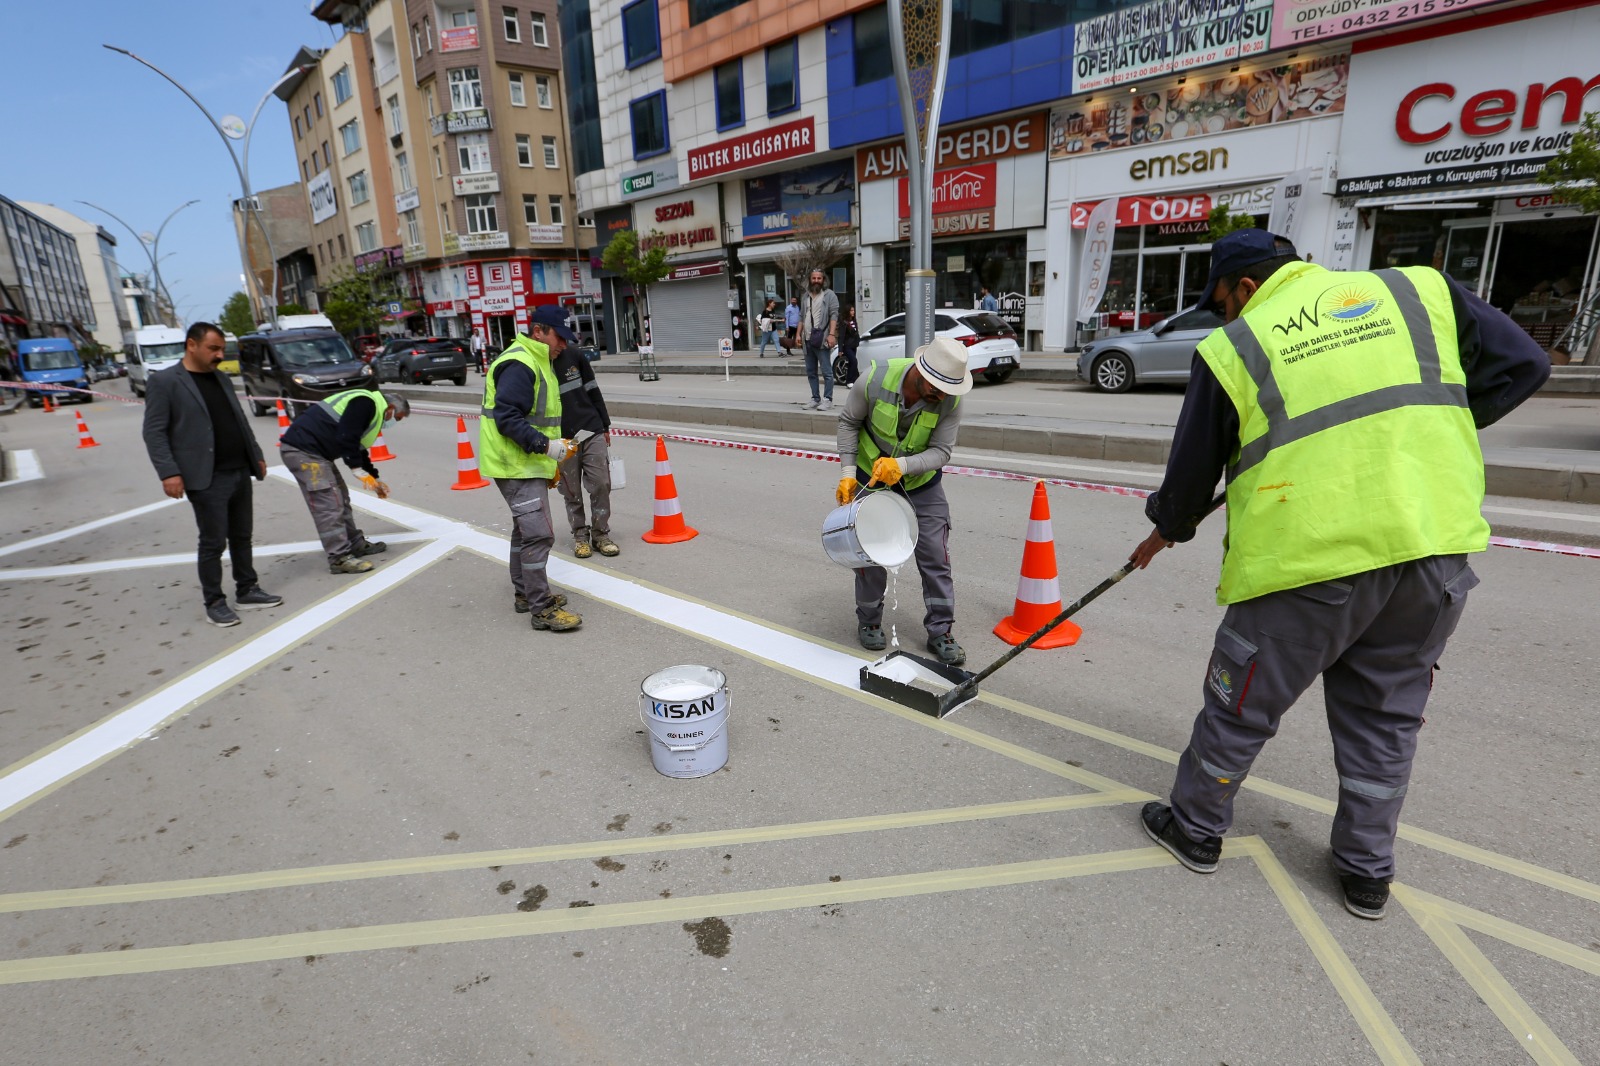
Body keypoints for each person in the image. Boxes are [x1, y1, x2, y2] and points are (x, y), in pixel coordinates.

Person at [1128, 229, 1550, 920]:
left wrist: (1169, 526)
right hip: (1430, 551)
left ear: (1245, 288)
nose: (1225, 317)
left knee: (1241, 708)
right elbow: (1527, 364)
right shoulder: (1417, 289)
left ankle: (1195, 829)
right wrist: (1433, 432)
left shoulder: (1238, 344)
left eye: (1224, 303)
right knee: (1385, 720)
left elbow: (1190, 474)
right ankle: (1365, 872)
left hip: (1308, 559)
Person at [836, 336, 971, 666]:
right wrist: (848, 472)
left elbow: (942, 452)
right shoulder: (873, 380)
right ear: (919, 371)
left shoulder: (950, 401)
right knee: (869, 553)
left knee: (935, 555)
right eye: (937, 387)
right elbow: (849, 422)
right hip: (873, 477)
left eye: (947, 390)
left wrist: (903, 466)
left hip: (921, 484)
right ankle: (869, 620)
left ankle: (941, 630)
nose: (941, 396)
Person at [141, 322, 281, 628]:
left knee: (242, 536)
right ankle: (214, 602)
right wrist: (169, 472)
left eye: (221, 349)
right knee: (213, 542)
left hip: (238, 469)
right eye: (213, 348)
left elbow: (239, 420)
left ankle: (247, 589)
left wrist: (255, 454)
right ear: (192, 345)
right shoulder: (166, 382)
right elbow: (154, 433)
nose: (219, 355)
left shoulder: (221, 378)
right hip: (205, 477)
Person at [479, 305, 583, 632]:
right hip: (515, 465)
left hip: (523, 463)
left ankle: (525, 593)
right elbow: (507, 418)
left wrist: (550, 451)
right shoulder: (520, 363)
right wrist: (548, 448)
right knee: (539, 534)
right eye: (559, 337)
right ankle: (541, 608)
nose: (563, 345)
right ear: (538, 331)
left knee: (524, 530)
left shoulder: (538, 359)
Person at [279, 388, 411, 575]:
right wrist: (357, 470)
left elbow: (357, 445)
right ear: (389, 408)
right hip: (304, 452)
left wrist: (374, 478)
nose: (393, 422)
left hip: (315, 453)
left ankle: (355, 544)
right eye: (396, 417)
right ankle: (339, 558)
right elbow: (347, 436)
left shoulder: (368, 406)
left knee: (341, 497)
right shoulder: (365, 403)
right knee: (329, 504)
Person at [552, 338, 618, 560]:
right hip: (563, 439)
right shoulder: (535, 364)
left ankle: (601, 535)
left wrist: (605, 425)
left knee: (601, 483)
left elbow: (593, 390)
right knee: (571, 490)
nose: (561, 343)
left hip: (591, 428)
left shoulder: (575, 355)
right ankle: (580, 536)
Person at [801, 268, 840, 411]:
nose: (816, 281)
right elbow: (801, 316)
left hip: (822, 339)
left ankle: (828, 400)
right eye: (814, 278)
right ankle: (815, 398)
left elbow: (834, 315)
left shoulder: (829, 295)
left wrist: (831, 334)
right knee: (811, 372)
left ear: (823, 280)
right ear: (810, 280)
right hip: (807, 340)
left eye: (819, 278)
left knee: (827, 372)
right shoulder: (805, 296)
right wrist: (798, 335)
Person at [838, 305, 861, 387]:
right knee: (854, 361)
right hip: (847, 346)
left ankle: (855, 380)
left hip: (854, 345)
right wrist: (840, 349)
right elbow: (841, 336)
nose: (853, 312)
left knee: (852, 363)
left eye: (853, 310)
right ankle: (849, 380)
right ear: (848, 312)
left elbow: (856, 333)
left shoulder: (854, 321)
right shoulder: (844, 322)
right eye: (851, 311)